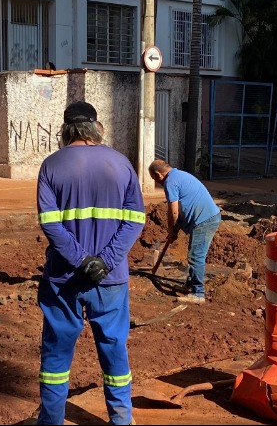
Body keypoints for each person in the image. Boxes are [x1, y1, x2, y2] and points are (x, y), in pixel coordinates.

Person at [35, 101, 144, 426]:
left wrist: (81, 260)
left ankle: (51, 421)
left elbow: (50, 224)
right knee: (114, 349)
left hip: (63, 280)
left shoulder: (51, 166)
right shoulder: (121, 164)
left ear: (66, 129)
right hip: (110, 282)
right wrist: (105, 262)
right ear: (96, 127)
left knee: (56, 354)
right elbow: (135, 220)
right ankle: (122, 420)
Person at [148, 159, 222, 304]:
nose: (157, 183)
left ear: (158, 174)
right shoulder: (179, 175)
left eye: (154, 179)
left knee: (196, 256)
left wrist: (171, 229)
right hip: (207, 216)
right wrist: (176, 229)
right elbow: (184, 206)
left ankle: (198, 293)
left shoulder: (170, 182)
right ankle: (190, 285)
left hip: (204, 220)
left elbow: (173, 212)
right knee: (194, 253)